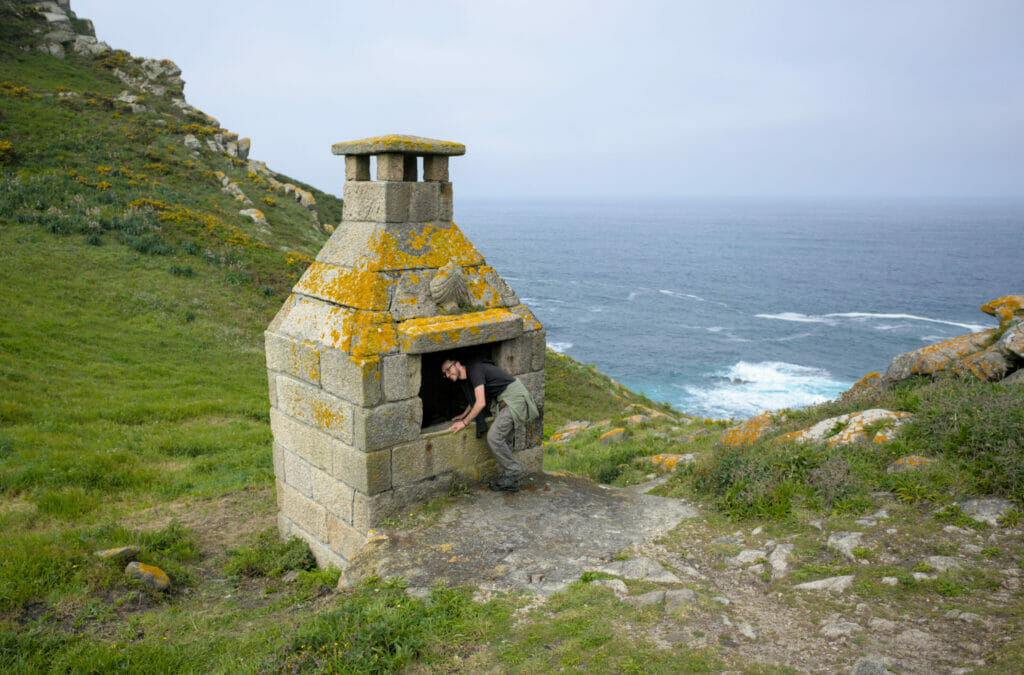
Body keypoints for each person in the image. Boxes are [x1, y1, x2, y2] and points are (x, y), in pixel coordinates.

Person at [442, 357, 539, 492]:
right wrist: (463, 415)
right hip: (507, 400)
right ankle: (510, 481)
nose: (447, 374)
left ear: (457, 364)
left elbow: (481, 403)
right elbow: (475, 399)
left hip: (514, 398)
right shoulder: (471, 375)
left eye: (448, 369)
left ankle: (513, 472)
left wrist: (464, 423)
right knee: (505, 441)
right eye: (444, 373)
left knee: (494, 437)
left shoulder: (474, 370)